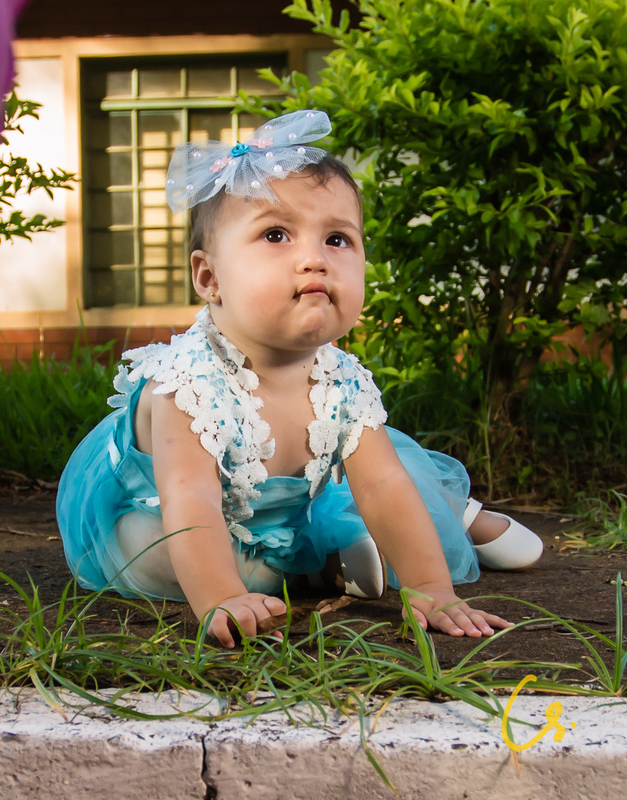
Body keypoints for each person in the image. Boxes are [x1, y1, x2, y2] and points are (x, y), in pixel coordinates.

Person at [56, 110, 543, 647]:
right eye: (276, 234)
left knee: (388, 479)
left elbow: (383, 486)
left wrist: (431, 587)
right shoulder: (185, 384)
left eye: (338, 240)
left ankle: (426, 523)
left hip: (276, 513)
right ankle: (322, 561)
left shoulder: (343, 382)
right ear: (209, 277)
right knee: (149, 550)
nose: (313, 258)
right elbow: (190, 498)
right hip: (171, 512)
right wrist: (221, 593)